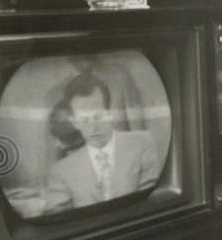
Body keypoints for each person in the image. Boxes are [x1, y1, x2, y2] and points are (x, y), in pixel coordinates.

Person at [44, 72, 161, 211]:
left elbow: (153, 204)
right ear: (75, 122)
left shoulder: (142, 143)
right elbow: (59, 221)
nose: (94, 127)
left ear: (110, 113)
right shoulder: (61, 171)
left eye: (98, 116)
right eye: (85, 120)